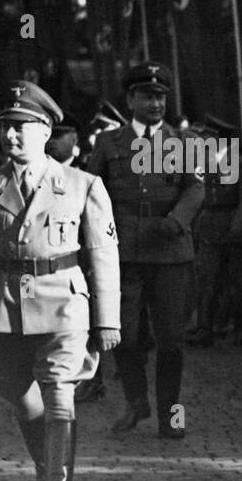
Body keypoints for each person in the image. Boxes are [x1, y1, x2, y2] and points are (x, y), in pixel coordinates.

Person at [0, 81, 120, 481]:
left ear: (45, 131)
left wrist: (107, 320)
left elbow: (103, 256)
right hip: (2, 309)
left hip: (64, 305)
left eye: (21, 127)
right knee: (25, 403)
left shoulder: (82, 185)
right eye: (6, 128)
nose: (11, 136)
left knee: (60, 398)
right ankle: (46, 471)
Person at [83, 61, 203, 439]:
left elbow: (196, 187)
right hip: (123, 255)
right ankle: (137, 401)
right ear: (131, 99)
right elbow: (91, 192)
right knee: (123, 335)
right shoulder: (109, 143)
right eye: (147, 96)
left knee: (171, 339)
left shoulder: (184, 142)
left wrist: (178, 219)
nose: (155, 104)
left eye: (161, 96)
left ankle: (172, 415)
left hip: (170, 252)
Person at [188, 117, 242, 347]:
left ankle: (240, 327)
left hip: (233, 225)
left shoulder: (240, 162)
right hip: (209, 226)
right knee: (205, 279)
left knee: (237, 282)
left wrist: (239, 226)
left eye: (209, 137)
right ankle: (204, 328)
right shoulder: (201, 163)